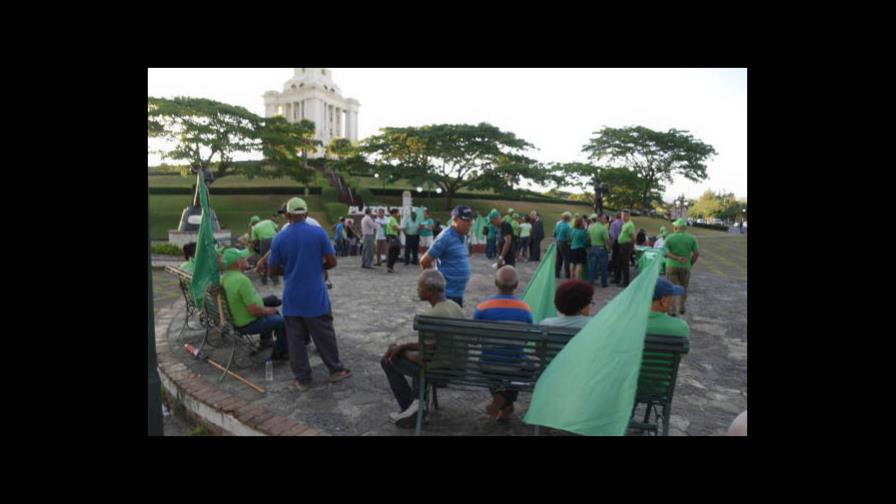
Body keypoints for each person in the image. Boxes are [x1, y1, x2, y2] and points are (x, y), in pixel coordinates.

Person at [262, 197, 351, 391]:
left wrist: (291, 270)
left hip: (292, 297)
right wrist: (318, 268)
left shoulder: (280, 238)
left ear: (287, 215)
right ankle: (336, 370)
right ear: (307, 214)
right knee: (324, 335)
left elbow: (274, 269)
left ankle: (302, 378)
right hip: (315, 296)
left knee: (295, 340)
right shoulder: (318, 233)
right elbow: (332, 262)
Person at [381, 270, 464, 428]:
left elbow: (424, 357)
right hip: (458, 365)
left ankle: (411, 409)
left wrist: (400, 352)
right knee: (405, 355)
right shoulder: (453, 306)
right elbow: (435, 345)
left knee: (387, 361)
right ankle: (418, 404)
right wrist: (404, 346)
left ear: (431, 291)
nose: (417, 289)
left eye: (420, 287)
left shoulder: (431, 317)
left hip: (442, 371)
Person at [473, 266, 533, 422]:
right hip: (515, 365)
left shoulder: (482, 308)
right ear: (517, 284)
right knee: (529, 367)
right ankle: (506, 402)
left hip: (489, 364)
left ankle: (501, 399)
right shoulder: (525, 309)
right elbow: (526, 339)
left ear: (495, 283)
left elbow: (474, 339)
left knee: (489, 363)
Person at [219, 247, 289, 360]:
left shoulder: (226, 277)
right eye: (243, 258)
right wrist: (267, 311)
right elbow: (254, 311)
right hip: (248, 323)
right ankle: (281, 352)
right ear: (238, 263)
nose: (247, 258)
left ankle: (266, 341)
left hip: (238, 317)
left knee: (272, 301)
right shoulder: (241, 280)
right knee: (283, 321)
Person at [420, 206, 473, 307]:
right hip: (446, 295)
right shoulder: (445, 237)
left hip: (458, 294)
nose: (469, 223)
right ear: (455, 220)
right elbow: (424, 261)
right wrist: (434, 286)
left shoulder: (463, 236)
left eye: (471, 220)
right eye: (466, 220)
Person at [662, 218, 700, 316]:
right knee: (684, 287)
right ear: (685, 228)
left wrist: (676, 258)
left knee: (672, 288)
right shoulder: (692, 238)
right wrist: (691, 263)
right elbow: (696, 253)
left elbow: (665, 253)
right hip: (685, 266)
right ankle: (681, 306)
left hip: (671, 266)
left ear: (675, 227)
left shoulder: (669, 237)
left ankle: (672, 310)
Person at [251, 215, 280, 285]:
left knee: (263, 260)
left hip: (264, 242)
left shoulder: (254, 228)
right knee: (275, 258)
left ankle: (264, 280)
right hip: (274, 239)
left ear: (253, 223)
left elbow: (255, 241)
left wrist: (255, 248)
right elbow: (277, 229)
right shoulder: (268, 221)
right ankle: (275, 279)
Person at [587, 214, 611, 287]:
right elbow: (606, 240)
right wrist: (609, 247)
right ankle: (604, 283)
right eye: (604, 219)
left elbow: (588, 237)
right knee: (603, 267)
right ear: (600, 219)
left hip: (593, 247)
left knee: (592, 266)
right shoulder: (603, 228)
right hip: (601, 248)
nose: (606, 220)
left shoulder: (591, 227)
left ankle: (591, 281)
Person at [614, 210, 636, 287]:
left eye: (623, 215)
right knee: (619, 263)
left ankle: (625, 282)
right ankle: (618, 278)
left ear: (627, 216)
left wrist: (632, 246)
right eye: (622, 215)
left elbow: (633, 237)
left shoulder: (630, 225)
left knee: (625, 264)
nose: (622, 217)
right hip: (622, 245)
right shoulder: (625, 224)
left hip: (626, 246)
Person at [569, 217, 589, 281]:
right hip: (580, 249)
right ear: (580, 223)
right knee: (579, 264)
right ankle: (577, 280)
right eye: (583, 222)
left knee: (572, 263)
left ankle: (571, 278)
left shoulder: (572, 230)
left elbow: (570, 238)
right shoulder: (582, 232)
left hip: (572, 248)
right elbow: (585, 242)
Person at [554, 211, 573, 279]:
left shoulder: (559, 224)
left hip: (558, 241)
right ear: (568, 218)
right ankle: (567, 274)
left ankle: (557, 273)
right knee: (566, 259)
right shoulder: (568, 226)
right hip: (564, 243)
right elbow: (569, 237)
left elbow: (555, 233)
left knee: (559, 258)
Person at [385, 208, 402, 273]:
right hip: (393, 236)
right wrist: (401, 228)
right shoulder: (393, 219)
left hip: (389, 236)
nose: (398, 214)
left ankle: (389, 267)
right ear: (394, 213)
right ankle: (390, 267)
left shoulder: (389, 218)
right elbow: (395, 227)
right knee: (396, 251)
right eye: (397, 213)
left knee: (391, 252)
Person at [609, 212, 623, 282]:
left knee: (615, 260)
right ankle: (620, 276)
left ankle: (616, 277)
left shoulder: (613, 224)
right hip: (623, 243)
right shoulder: (624, 223)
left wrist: (611, 245)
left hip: (616, 243)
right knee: (620, 260)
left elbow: (613, 236)